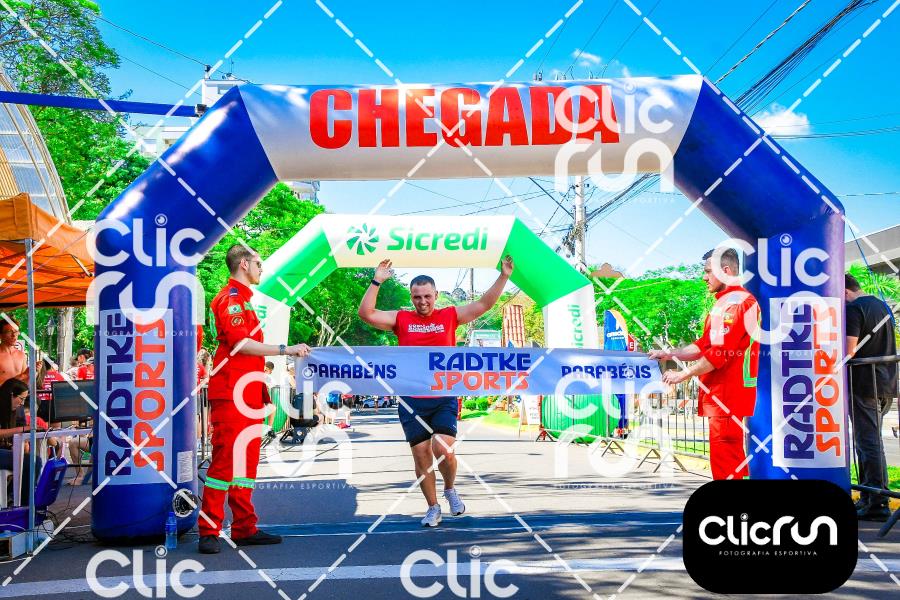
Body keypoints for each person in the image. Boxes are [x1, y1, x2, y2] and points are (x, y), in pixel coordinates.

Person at [358, 255, 514, 527]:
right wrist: (376, 281)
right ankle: (433, 507)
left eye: (427, 296)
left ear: (436, 295)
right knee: (421, 455)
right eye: (417, 297)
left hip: (443, 395)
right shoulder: (401, 318)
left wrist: (504, 276)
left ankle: (450, 489)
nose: (423, 302)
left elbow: (484, 304)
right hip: (411, 399)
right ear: (411, 297)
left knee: (443, 448)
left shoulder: (449, 316)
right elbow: (366, 314)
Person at [199, 244, 311, 554]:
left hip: (246, 393)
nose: (262, 269)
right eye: (259, 263)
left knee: (246, 463)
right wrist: (285, 349)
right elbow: (240, 344)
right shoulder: (231, 299)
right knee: (225, 461)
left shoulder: (244, 300)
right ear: (244, 264)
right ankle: (209, 530)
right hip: (231, 392)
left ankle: (244, 528)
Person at [650, 248, 759, 480]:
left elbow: (718, 353)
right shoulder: (725, 303)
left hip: (727, 394)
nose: (704, 277)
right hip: (722, 395)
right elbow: (704, 345)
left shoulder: (736, 303)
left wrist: (682, 375)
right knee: (726, 458)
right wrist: (668, 354)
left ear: (726, 271)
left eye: (708, 271)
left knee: (727, 460)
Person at [845, 273, 898, 521]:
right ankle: (871, 497)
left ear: (845, 291)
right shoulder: (880, 305)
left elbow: (849, 350)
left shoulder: (854, 309)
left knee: (867, 444)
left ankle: (876, 503)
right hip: (886, 383)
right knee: (872, 443)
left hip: (865, 384)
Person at [0, 379, 45, 503]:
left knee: (32, 460)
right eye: (21, 399)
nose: (22, 403)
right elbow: (21, 429)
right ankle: (24, 503)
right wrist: (22, 429)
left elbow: (22, 430)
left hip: (5, 448)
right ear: (11, 395)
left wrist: (23, 442)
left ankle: (15, 497)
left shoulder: (18, 410)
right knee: (32, 462)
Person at [0, 317, 27, 387]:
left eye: (16, 331)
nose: (14, 335)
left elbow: (25, 383)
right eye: (9, 332)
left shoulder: (21, 355)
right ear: (1, 335)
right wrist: (20, 377)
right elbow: (22, 377)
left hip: (20, 394)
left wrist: (35, 372)